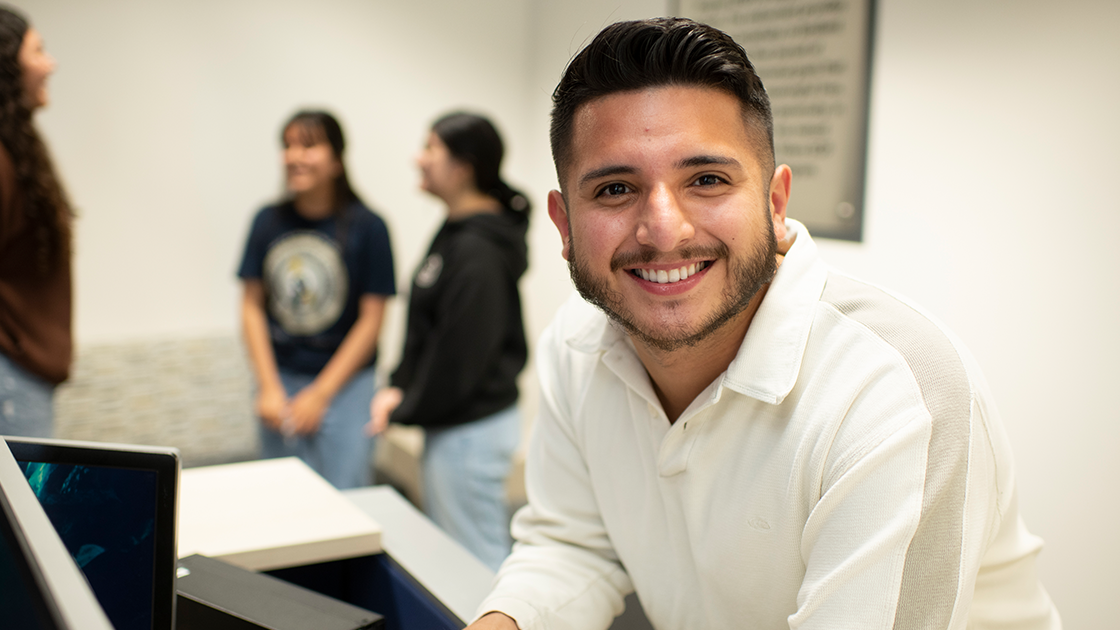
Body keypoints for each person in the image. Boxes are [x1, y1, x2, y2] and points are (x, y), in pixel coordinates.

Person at [469, 17, 1061, 630]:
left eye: (706, 180)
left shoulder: (897, 393)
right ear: (565, 225)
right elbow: (574, 547)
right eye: (616, 188)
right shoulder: (577, 342)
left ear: (775, 205)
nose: (663, 229)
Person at [367, 112, 530, 571]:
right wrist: (400, 385)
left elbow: (461, 359)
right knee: (459, 550)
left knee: (475, 560)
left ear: (463, 166)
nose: (418, 159)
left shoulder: (477, 251)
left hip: (470, 431)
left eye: (431, 149)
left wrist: (402, 407)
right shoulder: (457, 230)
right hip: (456, 424)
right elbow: (428, 328)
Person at [238, 110, 395, 490]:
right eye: (288, 145)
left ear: (337, 159)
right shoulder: (267, 221)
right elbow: (251, 306)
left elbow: (371, 322)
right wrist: (269, 386)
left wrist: (320, 395)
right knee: (281, 495)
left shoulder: (369, 227)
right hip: (283, 378)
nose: (294, 156)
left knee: (347, 498)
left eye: (308, 145)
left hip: (346, 384)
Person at [0, 5, 71, 439]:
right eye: (38, 51)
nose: (51, 64)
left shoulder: (17, 148)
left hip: (22, 376)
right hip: (10, 379)